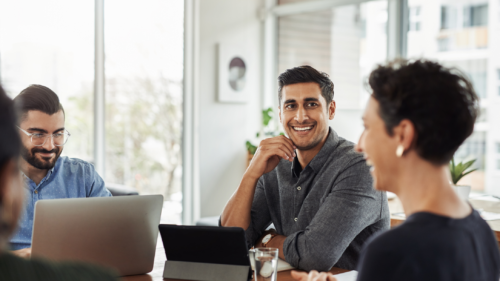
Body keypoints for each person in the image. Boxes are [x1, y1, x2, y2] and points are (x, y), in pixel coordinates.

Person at [291, 60, 500, 281]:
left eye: (368, 128)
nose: (360, 145)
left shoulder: (392, 253)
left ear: (403, 136)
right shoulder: (479, 231)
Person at [221, 66, 390, 271]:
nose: (300, 117)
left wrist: (267, 239)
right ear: (281, 113)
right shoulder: (275, 164)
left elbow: (315, 256)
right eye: (291, 106)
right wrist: (251, 174)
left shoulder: (358, 167)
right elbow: (230, 240)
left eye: (311, 104)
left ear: (331, 109)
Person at [0, 84, 118, 280]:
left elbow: (114, 237)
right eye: (37, 134)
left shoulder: (83, 175)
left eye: (58, 134)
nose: (50, 145)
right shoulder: (3, 180)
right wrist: (17, 259)